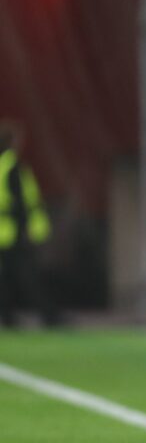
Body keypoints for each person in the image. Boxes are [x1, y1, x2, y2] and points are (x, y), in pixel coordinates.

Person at [0, 121, 55, 328]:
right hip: (12, 230)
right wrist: (26, 228)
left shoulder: (2, 165)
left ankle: (8, 316)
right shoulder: (12, 166)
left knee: (10, 276)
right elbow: (20, 202)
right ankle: (48, 314)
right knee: (27, 275)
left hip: (4, 230)